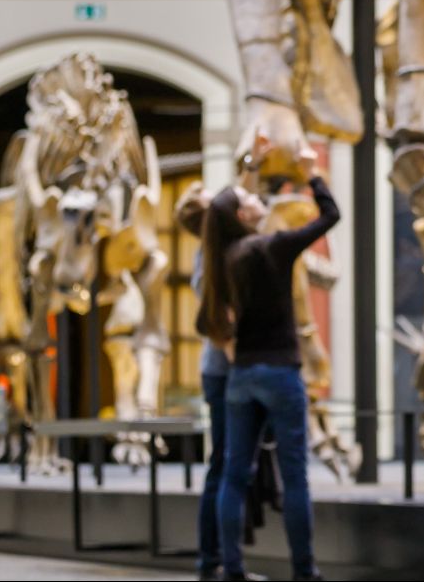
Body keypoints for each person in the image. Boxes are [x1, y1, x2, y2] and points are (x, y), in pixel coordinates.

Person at [203, 146, 338, 582]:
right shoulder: (273, 248)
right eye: (250, 200)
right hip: (280, 371)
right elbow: (329, 215)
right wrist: (312, 173)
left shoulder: (222, 260)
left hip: (242, 375)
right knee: (295, 476)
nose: (258, 199)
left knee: (233, 473)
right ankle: (304, 571)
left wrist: (249, 168)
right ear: (243, 216)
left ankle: (232, 568)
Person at [177, 183, 254, 582]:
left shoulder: (220, 252)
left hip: (231, 370)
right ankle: (213, 560)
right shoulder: (208, 260)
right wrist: (236, 355)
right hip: (226, 373)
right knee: (225, 464)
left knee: (229, 464)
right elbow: (216, 321)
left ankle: (220, 558)